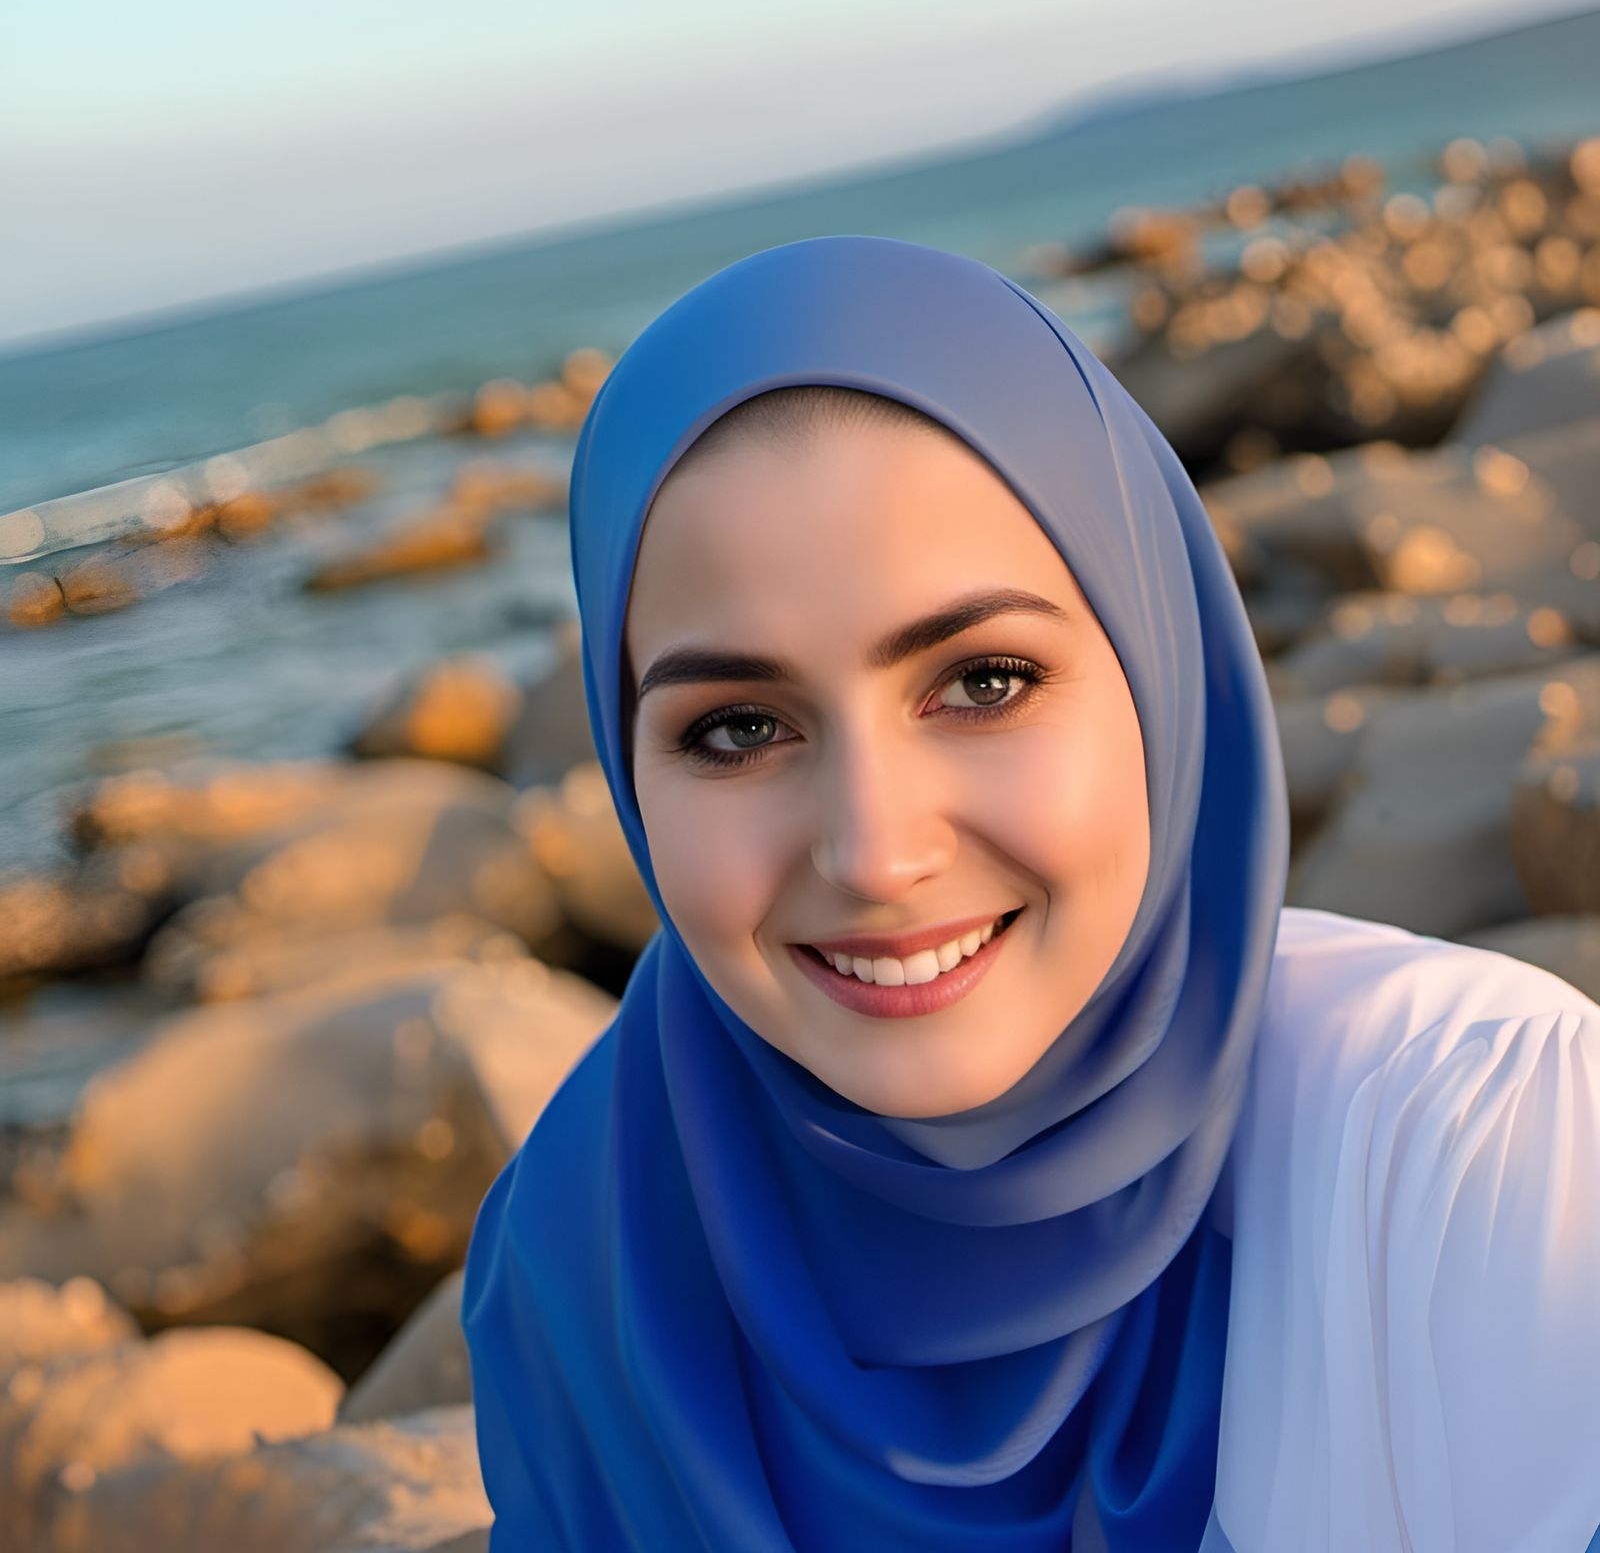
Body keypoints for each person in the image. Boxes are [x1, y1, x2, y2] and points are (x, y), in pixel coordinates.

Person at [460, 235, 1600, 1551]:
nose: (876, 853)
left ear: (1162, 671)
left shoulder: (1461, 1139)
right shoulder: (579, 1256)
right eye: (738, 729)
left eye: (983, 683)